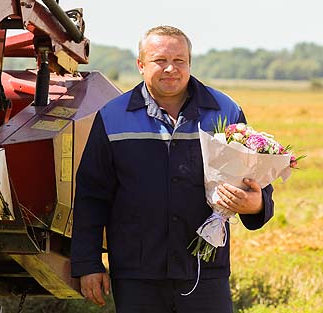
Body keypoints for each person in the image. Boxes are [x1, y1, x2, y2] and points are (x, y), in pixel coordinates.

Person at [71, 25, 274, 313]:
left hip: (205, 269)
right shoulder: (112, 117)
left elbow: (257, 180)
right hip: (136, 273)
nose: (170, 69)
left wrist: (256, 204)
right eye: (159, 60)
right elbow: (92, 196)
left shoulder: (225, 111)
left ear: (190, 64)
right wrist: (88, 263)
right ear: (141, 65)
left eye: (179, 61)